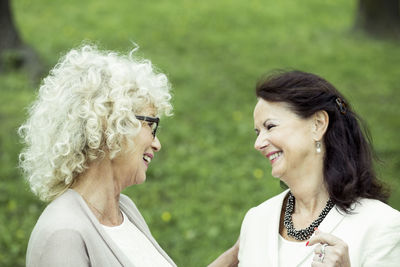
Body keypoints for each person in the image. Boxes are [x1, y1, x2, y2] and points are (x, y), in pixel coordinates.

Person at [19, 45, 239, 267]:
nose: (157, 143)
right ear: (110, 124)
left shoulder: (124, 210)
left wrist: (236, 254)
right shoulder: (63, 233)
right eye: (151, 124)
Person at [238, 70, 400, 267]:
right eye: (257, 132)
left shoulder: (381, 225)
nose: (258, 143)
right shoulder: (256, 220)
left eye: (270, 126)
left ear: (318, 124)